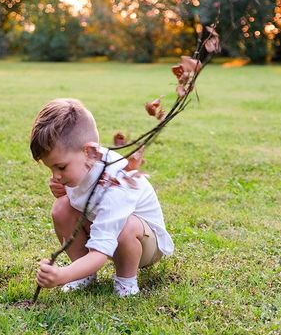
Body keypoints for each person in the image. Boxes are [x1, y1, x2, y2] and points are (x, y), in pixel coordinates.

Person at [31, 98, 174, 296]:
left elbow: (99, 252)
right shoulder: (84, 163)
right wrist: (65, 191)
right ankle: (84, 275)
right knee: (61, 208)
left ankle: (126, 282)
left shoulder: (115, 187)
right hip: (104, 229)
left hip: (146, 246)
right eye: (51, 168)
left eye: (61, 167)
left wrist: (62, 275)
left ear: (89, 151)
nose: (55, 175)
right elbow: (82, 199)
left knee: (126, 226)